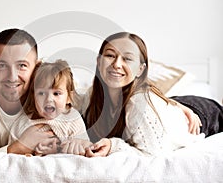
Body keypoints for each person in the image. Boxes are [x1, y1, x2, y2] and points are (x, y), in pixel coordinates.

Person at [81, 32, 223, 157]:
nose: (117, 64)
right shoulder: (92, 95)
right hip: (170, 105)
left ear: (140, 70)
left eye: (127, 59)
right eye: (110, 55)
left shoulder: (139, 103)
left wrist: (113, 146)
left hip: (204, 113)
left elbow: (154, 154)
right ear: (99, 62)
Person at [7, 60, 89, 156]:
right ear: (34, 97)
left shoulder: (73, 118)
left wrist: (72, 146)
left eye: (56, 93)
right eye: (41, 93)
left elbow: (86, 147)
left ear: (69, 98)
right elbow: (11, 155)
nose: (49, 99)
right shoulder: (23, 123)